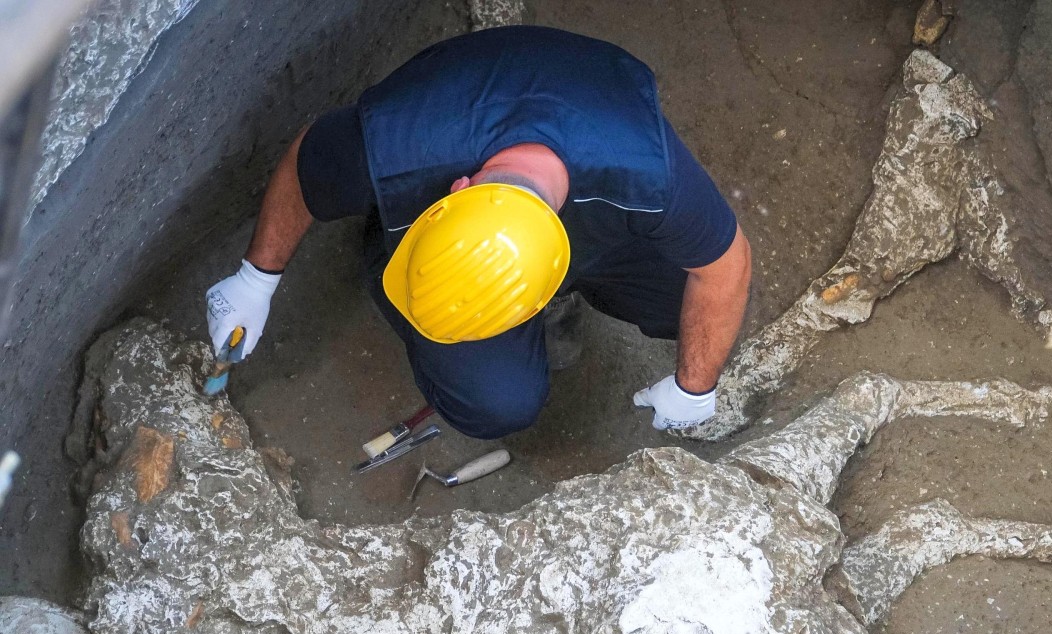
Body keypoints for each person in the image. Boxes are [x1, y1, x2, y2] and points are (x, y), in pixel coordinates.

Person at [205, 25, 751, 438]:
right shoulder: (396, 146)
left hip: (596, 130)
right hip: (454, 106)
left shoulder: (647, 175)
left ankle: (566, 297)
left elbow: (727, 265)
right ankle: (385, 246)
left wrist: (693, 387)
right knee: (497, 403)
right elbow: (306, 165)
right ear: (457, 188)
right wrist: (255, 280)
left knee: (691, 302)